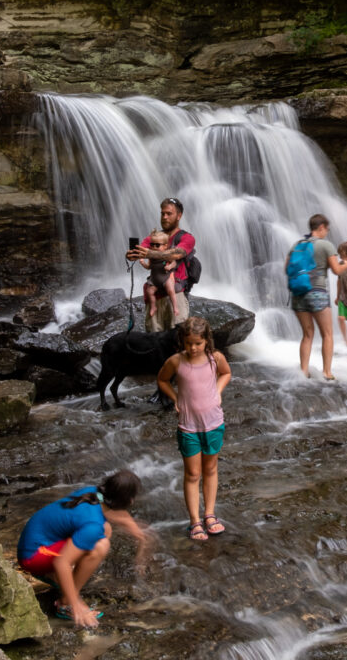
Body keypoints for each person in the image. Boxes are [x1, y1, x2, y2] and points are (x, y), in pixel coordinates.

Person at [17, 470, 151, 628]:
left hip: (39, 541)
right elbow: (62, 563)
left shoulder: (92, 493)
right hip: (33, 556)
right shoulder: (93, 525)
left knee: (106, 529)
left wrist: (137, 532)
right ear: (129, 500)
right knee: (100, 546)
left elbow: (113, 512)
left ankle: (57, 578)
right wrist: (76, 604)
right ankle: (65, 604)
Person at [157, 318, 232, 540]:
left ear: (206, 341)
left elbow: (226, 373)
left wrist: (218, 391)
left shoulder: (214, 358)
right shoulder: (176, 361)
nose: (193, 348)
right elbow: (162, 380)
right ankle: (194, 521)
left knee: (210, 470)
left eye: (197, 343)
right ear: (182, 341)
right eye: (188, 343)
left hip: (214, 423)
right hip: (188, 426)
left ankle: (209, 514)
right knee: (192, 474)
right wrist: (175, 398)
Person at [285, 213, 347, 380]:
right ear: (321, 227)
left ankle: (303, 372)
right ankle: (327, 372)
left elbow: (287, 268)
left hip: (298, 293)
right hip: (317, 292)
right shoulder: (325, 245)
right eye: (327, 229)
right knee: (327, 334)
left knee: (307, 334)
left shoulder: (296, 245)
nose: (327, 232)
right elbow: (337, 270)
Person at [125, 197, 196, 331]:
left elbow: (176, 254)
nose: (164, 217)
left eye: (169, 214)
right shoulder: (153, 238)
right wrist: (130, 255)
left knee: (177, 338)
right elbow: (140, 251)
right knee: (153, 340)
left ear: (179, 216)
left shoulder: (187, 238)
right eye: (162, 213)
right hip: (154, 297)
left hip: (176, 295)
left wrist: (150, 254)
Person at [140, 230, 179, 319]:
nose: (154, 247)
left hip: (165, 278)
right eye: (152, 244)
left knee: (171, 290)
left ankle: (175, 307)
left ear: (165, 246)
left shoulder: (166, 255)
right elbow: (149, 267)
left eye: (157, 245)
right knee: (149, 291)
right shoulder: (151, 256)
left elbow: (174, 263)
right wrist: (143, 263)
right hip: (154, 280)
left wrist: (169, 267)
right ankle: (153, 306)